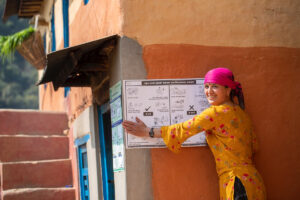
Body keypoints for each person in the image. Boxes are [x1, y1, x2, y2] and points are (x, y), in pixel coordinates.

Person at [122, 68, 266, 200]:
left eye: (215, 86)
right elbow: (255, 146)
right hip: (254, 182)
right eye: (206, 86)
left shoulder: (216, 113)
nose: (209, 91)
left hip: (236, 183)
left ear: (228, 90)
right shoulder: (242, 114)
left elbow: (184, 129)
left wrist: (148, 131)